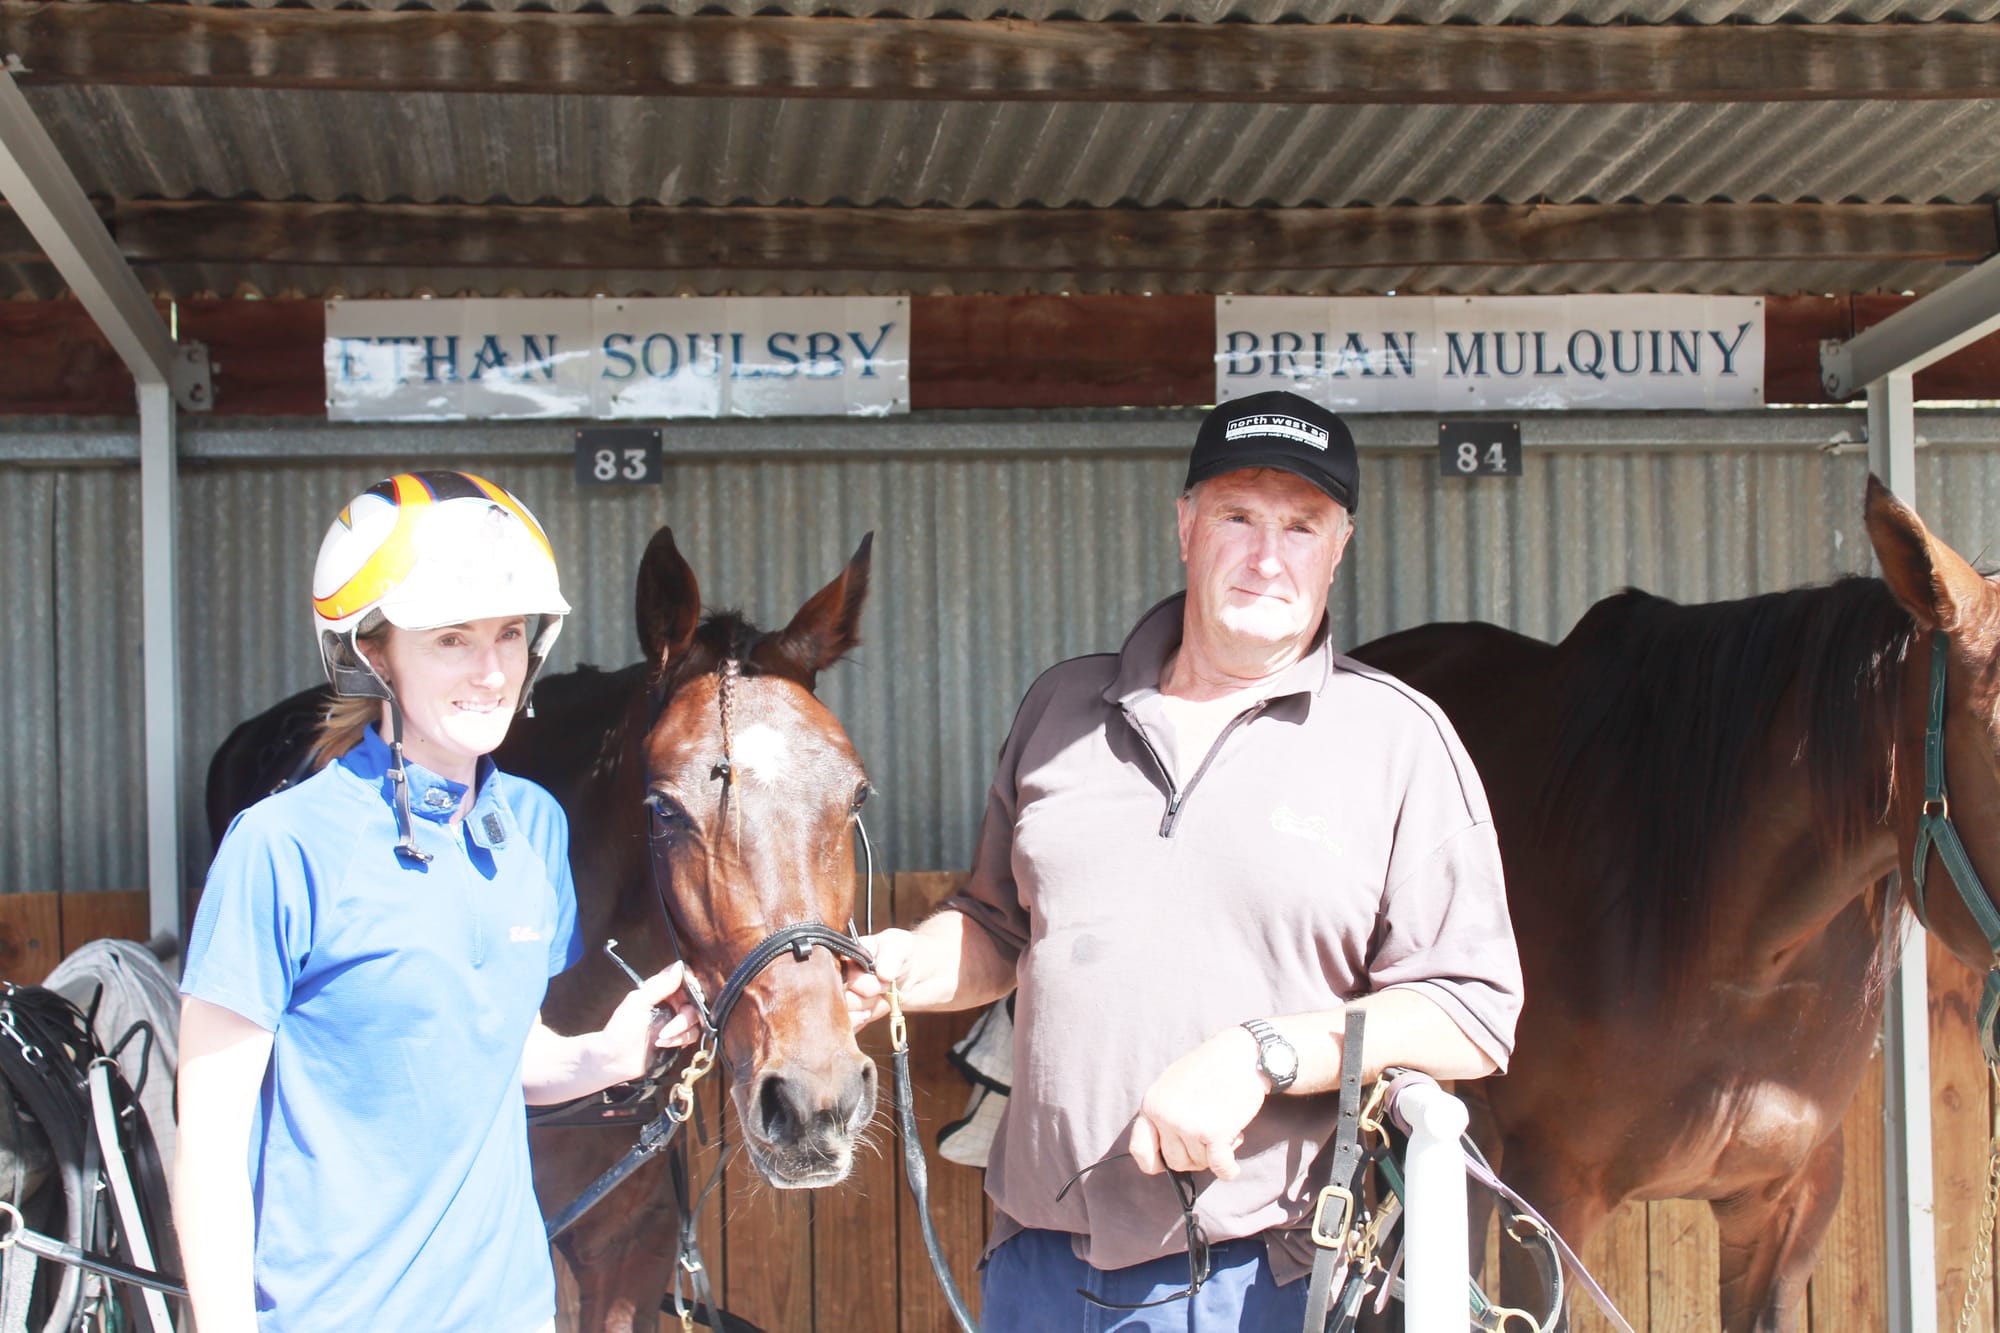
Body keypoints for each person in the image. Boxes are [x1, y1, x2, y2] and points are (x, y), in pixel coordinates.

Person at [846, 392, 1523, 1328]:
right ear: (1185, 527)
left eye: (1301, 525)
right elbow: (999, 927)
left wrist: (1262, 1053)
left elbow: (1473, 1011)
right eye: (1237, 516)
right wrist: (902, 968)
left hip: (1258, 1273)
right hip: (1034, 1261)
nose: (1266, 555)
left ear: (1339, 547)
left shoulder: (1398, 741)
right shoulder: (1064, 710)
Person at [176, 470, 701, 1333]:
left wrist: (609, 1054)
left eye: (509, 632)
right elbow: (210, 1141)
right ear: (373, 652)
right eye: (451, 638)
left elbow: (491, 1052)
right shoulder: (281, 848)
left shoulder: (531, 826)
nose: (493, 669)